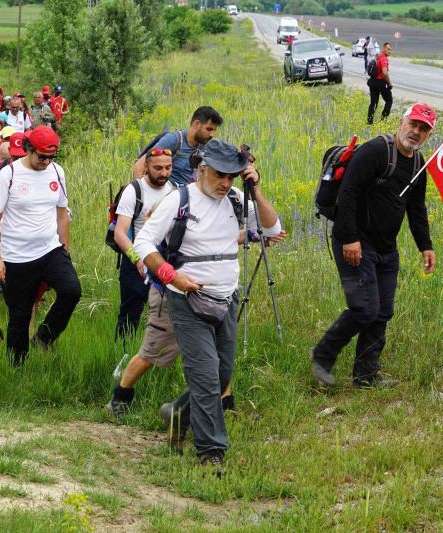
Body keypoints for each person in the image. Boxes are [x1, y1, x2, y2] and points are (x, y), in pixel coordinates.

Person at [133, 140, 281, 469]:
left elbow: (273, 227)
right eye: (219, 175)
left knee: (222, 372)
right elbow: (143, 240)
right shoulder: (180, 200)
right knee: (205, 377)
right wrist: (173, 277)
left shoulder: (236, 200)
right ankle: (211, 452)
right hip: (186, 300)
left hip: (226, 299)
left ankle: (177, 414)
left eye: (231, 177)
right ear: (203, 170)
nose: (225, 183)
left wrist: (254, 190)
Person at [311, 104, 437, 389]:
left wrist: (425, 246)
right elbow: (349, 193)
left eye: (424, 129)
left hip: (386, 248)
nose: (416, 132)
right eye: (413, 124)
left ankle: (366, 376)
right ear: (402, 122)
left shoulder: (418, 165)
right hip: (354, 241)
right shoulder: (376, 151)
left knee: (382, 312)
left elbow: (416, 209)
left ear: (429, 134)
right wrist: (350, 238)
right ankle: (322, 355)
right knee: (365, 308)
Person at [0, 127, 81, 366]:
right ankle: (17, 369)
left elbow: (61, 213)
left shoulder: (57, 172)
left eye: (51, 157)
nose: (46, 162)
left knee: (71, 290)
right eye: (42, 157)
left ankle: (44, 337)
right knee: (20, 315)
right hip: (16, 257)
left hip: (50, 250)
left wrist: (64, 248)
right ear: (28, 149)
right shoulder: (10, 175)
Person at [113, 149, 175, 341]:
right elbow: (120, 233)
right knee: (130, 313)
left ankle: (156, 357)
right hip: (135, 261)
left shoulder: (173, 190)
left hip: (163, 259)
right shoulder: (134, 191)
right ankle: (122, 356)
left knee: (163, 313)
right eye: (158, 168)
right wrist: (137, 259)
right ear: (146, 167)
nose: (164, 173)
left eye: (168, 168)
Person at [131, 106, 223, 185]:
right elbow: (139, 167)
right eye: (209, 129)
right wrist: (144, 196)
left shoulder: (204, 146)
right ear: (196, 124)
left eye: (214, 130)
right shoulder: (174, 140)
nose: (212, 135)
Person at [367, 42, 393, 125]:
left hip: (373, 82)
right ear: (384, 49)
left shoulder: (378, 56)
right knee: (389, 100)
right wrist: (389, 83)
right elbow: (385, 73)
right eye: (388, 49)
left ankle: (369, 121)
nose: (389, 51)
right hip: (380, 82)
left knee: (374, 102)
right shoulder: (384, 58)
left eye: (391, 50)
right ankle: (383, 120)